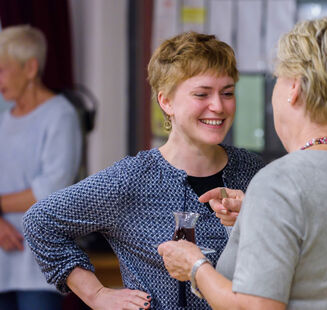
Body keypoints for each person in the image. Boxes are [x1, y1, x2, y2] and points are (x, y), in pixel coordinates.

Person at [158, 15, 327, 310]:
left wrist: (195, 266)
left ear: (294, 87)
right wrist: (258, 216)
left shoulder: (280, 182)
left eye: (279, 79)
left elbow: (256, 307)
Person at [23, 32, 264, 310]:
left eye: (228, 93)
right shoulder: (133, 178)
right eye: (201, 94)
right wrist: (97, 295)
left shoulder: (252, 171)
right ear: (166, 102)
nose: (218, 106)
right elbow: (40, 222)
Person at [0, 25, 82, 310]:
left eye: (3, 69)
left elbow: (50, 190)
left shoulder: (60, 115)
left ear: (30, 68)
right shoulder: (3, 120)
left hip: (37, 265)